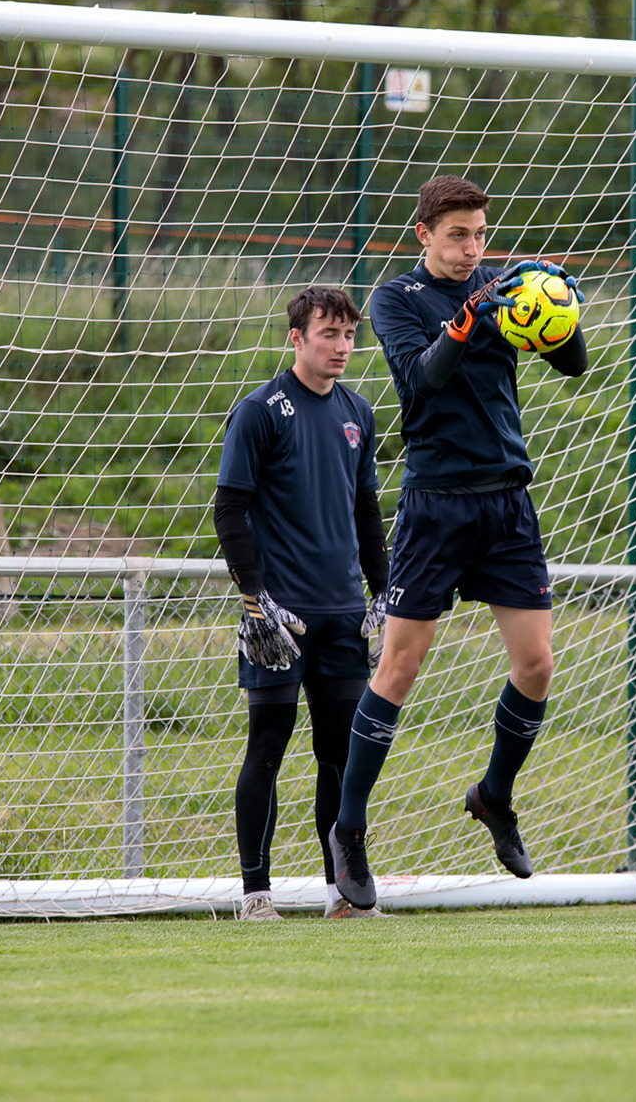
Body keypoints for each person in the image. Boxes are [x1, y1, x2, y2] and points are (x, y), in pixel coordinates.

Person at [328, 175, 588, 910]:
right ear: (423, 235)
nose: (472, 248)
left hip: (507, 501)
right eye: (457, 236)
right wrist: (468, 321)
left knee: (536, 665)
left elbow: (575, 367)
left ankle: (494, 796)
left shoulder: (504, 292)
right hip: (436, 505)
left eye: (479, 234)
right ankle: (348, 831)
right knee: (400, 669)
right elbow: (420, 381)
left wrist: (560, 312)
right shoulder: (397, 300)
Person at [212, 285, 390, 921]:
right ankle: (255, 895)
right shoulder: (260, 410)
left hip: (344, 614)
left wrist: (383, 588)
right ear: (297, 338)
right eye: (328, 334)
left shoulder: (359, 412)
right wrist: (253, 595)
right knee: (267, 745)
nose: (342, 347)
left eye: (349, 335)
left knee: (340, 758)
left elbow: (365, 508)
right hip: (279, 616)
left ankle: (341, 894)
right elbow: (229, 507)